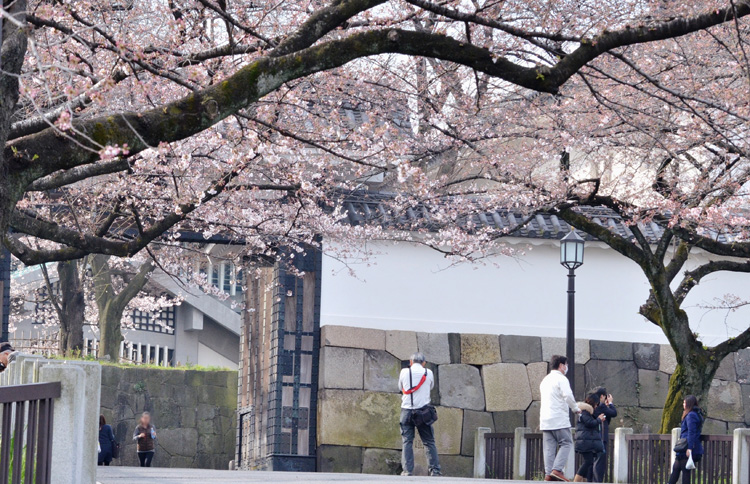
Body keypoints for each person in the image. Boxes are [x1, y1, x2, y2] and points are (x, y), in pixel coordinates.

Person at [398, 352, 441, 477]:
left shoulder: (404, 372)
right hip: (423, 412)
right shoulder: (428, 373)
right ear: (424, 363)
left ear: (410, 362)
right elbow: (431, 386)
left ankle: (407, 471)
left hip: (406, 410)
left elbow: (401, 387)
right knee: (429, 441)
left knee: (407, 441)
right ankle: (435, 471)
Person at [540, 355, 580, 482]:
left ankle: (548, 474)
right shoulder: (561, 379)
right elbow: (567, 395)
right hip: (559, 418)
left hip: (545, 419)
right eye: (566, 365)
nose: (566, 367)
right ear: (562, 366)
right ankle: (557, 470)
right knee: (566, 443)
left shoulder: (545, 380)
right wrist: (575, 408)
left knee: (549, 447)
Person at [668, 395, 704, 484]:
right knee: (676, 469)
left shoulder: (691, 415)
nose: (683, 404)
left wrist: (690, 448)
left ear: (689, 404)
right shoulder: (694, 414)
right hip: (684, 448)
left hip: (687, 448)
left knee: (684, 471)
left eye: (684, 402)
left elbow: (692, 432)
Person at [573, 394, 606, 482]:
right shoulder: (584, 411)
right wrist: (599, 420)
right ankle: (576, 480)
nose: (597, 406)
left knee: (589, 461)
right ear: (593, 403)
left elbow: (591, 422)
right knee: (588, 461)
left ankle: (583, 480)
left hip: (586, 441)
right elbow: (589, 423)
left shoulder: (587, 412)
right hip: (584, 441)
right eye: (596, 404)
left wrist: (598, 419)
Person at [588, 387, 617, 482]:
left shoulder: (592, 406)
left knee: (592, 461)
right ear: (602, 396)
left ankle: (590, 481)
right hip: (601, 437)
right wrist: (611, 404)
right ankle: (597, 482)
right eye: (605, 397)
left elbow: (607, 419)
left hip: (591, 438)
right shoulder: (601, 406)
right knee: (600, 462)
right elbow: (614, 413)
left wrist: (607, 407)